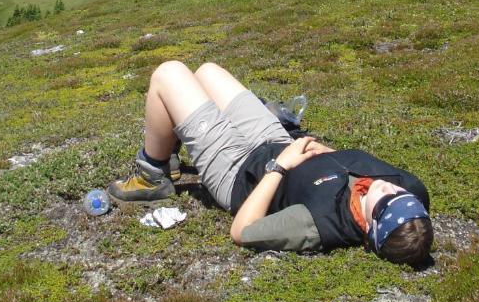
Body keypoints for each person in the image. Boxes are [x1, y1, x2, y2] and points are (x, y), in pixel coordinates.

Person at [108, 60, 433, 265]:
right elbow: (355, 173)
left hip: (236, 171)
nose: (390, 187)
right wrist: (322, 151)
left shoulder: (318, 224)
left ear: (368, 225)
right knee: (207, 71)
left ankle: (152, 175)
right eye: (402, 196)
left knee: (168, 74)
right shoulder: (410, 190)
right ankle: (171, 138)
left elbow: (243, 231)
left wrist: (282, 167)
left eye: (388, 199)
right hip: (275, 140)